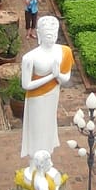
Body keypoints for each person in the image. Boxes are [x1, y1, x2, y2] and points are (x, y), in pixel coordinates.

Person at [20, 15, 74, 170]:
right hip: (36, 99)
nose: (52, 37)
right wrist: (52, 76)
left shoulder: (64, 51)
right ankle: (34, 161)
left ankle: (47, 158)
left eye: (54, 34)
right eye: (48, 35)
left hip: (52, 96)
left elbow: (66, 78)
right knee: (37, 128)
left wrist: (58, 75)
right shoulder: (30, 57)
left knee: (49, 125)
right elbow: (26, 84)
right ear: (40, 34)